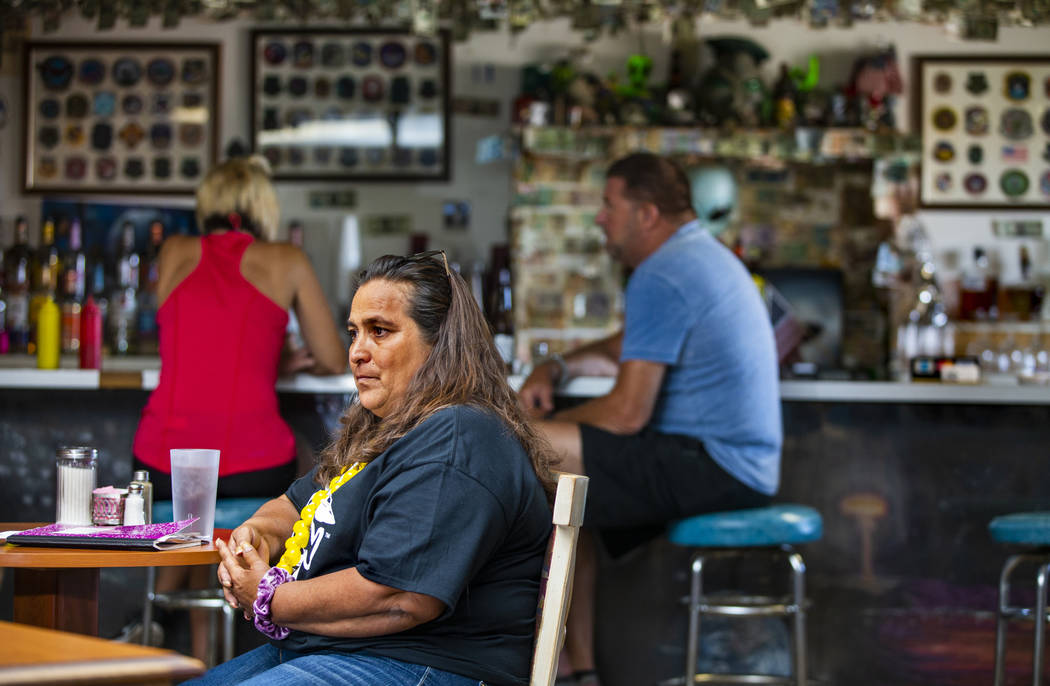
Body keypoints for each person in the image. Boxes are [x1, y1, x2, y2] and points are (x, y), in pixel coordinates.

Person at [191, 251, 556, 686]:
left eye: (379, 332)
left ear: (440, 343)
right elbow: (293, 505)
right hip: (337, 652)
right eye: (354, 333)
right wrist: (256, 536)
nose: (357, 353)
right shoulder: (385, 429)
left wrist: (268, 598)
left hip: (424, 665)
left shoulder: (459, 436)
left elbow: (399, 596)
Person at [518, 152, 782, 686]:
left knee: (512, 448)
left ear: (647, 213)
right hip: (730, 465)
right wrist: (557, 366)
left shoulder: (663, 271)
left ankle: (549, 665)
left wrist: (515, 427)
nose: (599, 217)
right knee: (566, 491)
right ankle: (578, 670)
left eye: (608, 204)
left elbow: (624, 414)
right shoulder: (697, 257)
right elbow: (627, 346)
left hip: (713, 466)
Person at [131, 156, 346, 660]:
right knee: (302, 476)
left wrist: (264, 357)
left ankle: (167, 629)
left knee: (190, 523)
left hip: (164, 466)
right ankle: (242, 640)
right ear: (262, 205)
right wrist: (275, 359)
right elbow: (336, 357)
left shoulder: (176, 251)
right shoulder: (286, 260)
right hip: (251, 471)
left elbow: (201, 339)